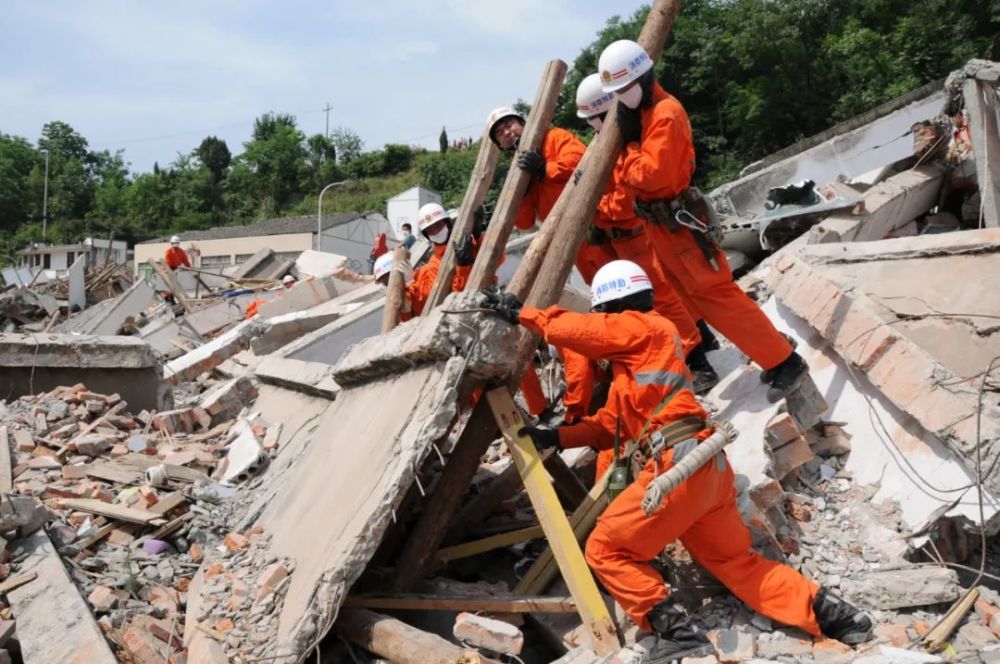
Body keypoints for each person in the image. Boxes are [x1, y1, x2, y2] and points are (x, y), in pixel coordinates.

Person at [479, 262, 873, 662]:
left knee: (605, 549)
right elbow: (612, 426)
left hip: (678, 466)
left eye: (604, 315)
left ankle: (677, 634)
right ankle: (835, 616)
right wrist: (558, 436)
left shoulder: (644, 326)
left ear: (612, 308)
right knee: (734, 561)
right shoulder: (640, 360)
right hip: (705, 467)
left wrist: (523, 314)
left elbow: (584, 332)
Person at [596, 39, 808, 402]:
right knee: (698, 297)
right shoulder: (645, 114)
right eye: (616, 92)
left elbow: (651, 176)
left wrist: (628, 152)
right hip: (662, 227)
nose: (622, 98)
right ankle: (772, 346)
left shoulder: (665, 113)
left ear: (645, 79)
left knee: (716, 295)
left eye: (626, 89)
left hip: (679, 223)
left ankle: (785, 362)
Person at [575, 73, 717, 392]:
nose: (591, 127)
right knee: (671, 294)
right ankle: (705, 343)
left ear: (606, 113)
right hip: (628, 242)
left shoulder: (632, 142)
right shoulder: (608, 147)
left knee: (665, 299)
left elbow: (625, 203)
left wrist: (595, 205)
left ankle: (700, 365)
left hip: (638, 236)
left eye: (593, 119)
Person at [485, 107, 609, 284]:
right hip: (571, 239)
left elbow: (582, 161)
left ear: (522, 123)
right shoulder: (517, 173)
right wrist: (524, 193)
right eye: (499, 132)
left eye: (508, 124)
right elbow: (524, 223)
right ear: (499, 144)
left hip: (598, 224)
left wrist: (544, 169)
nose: (506, 132)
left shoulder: (554, 137)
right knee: (600, 286)